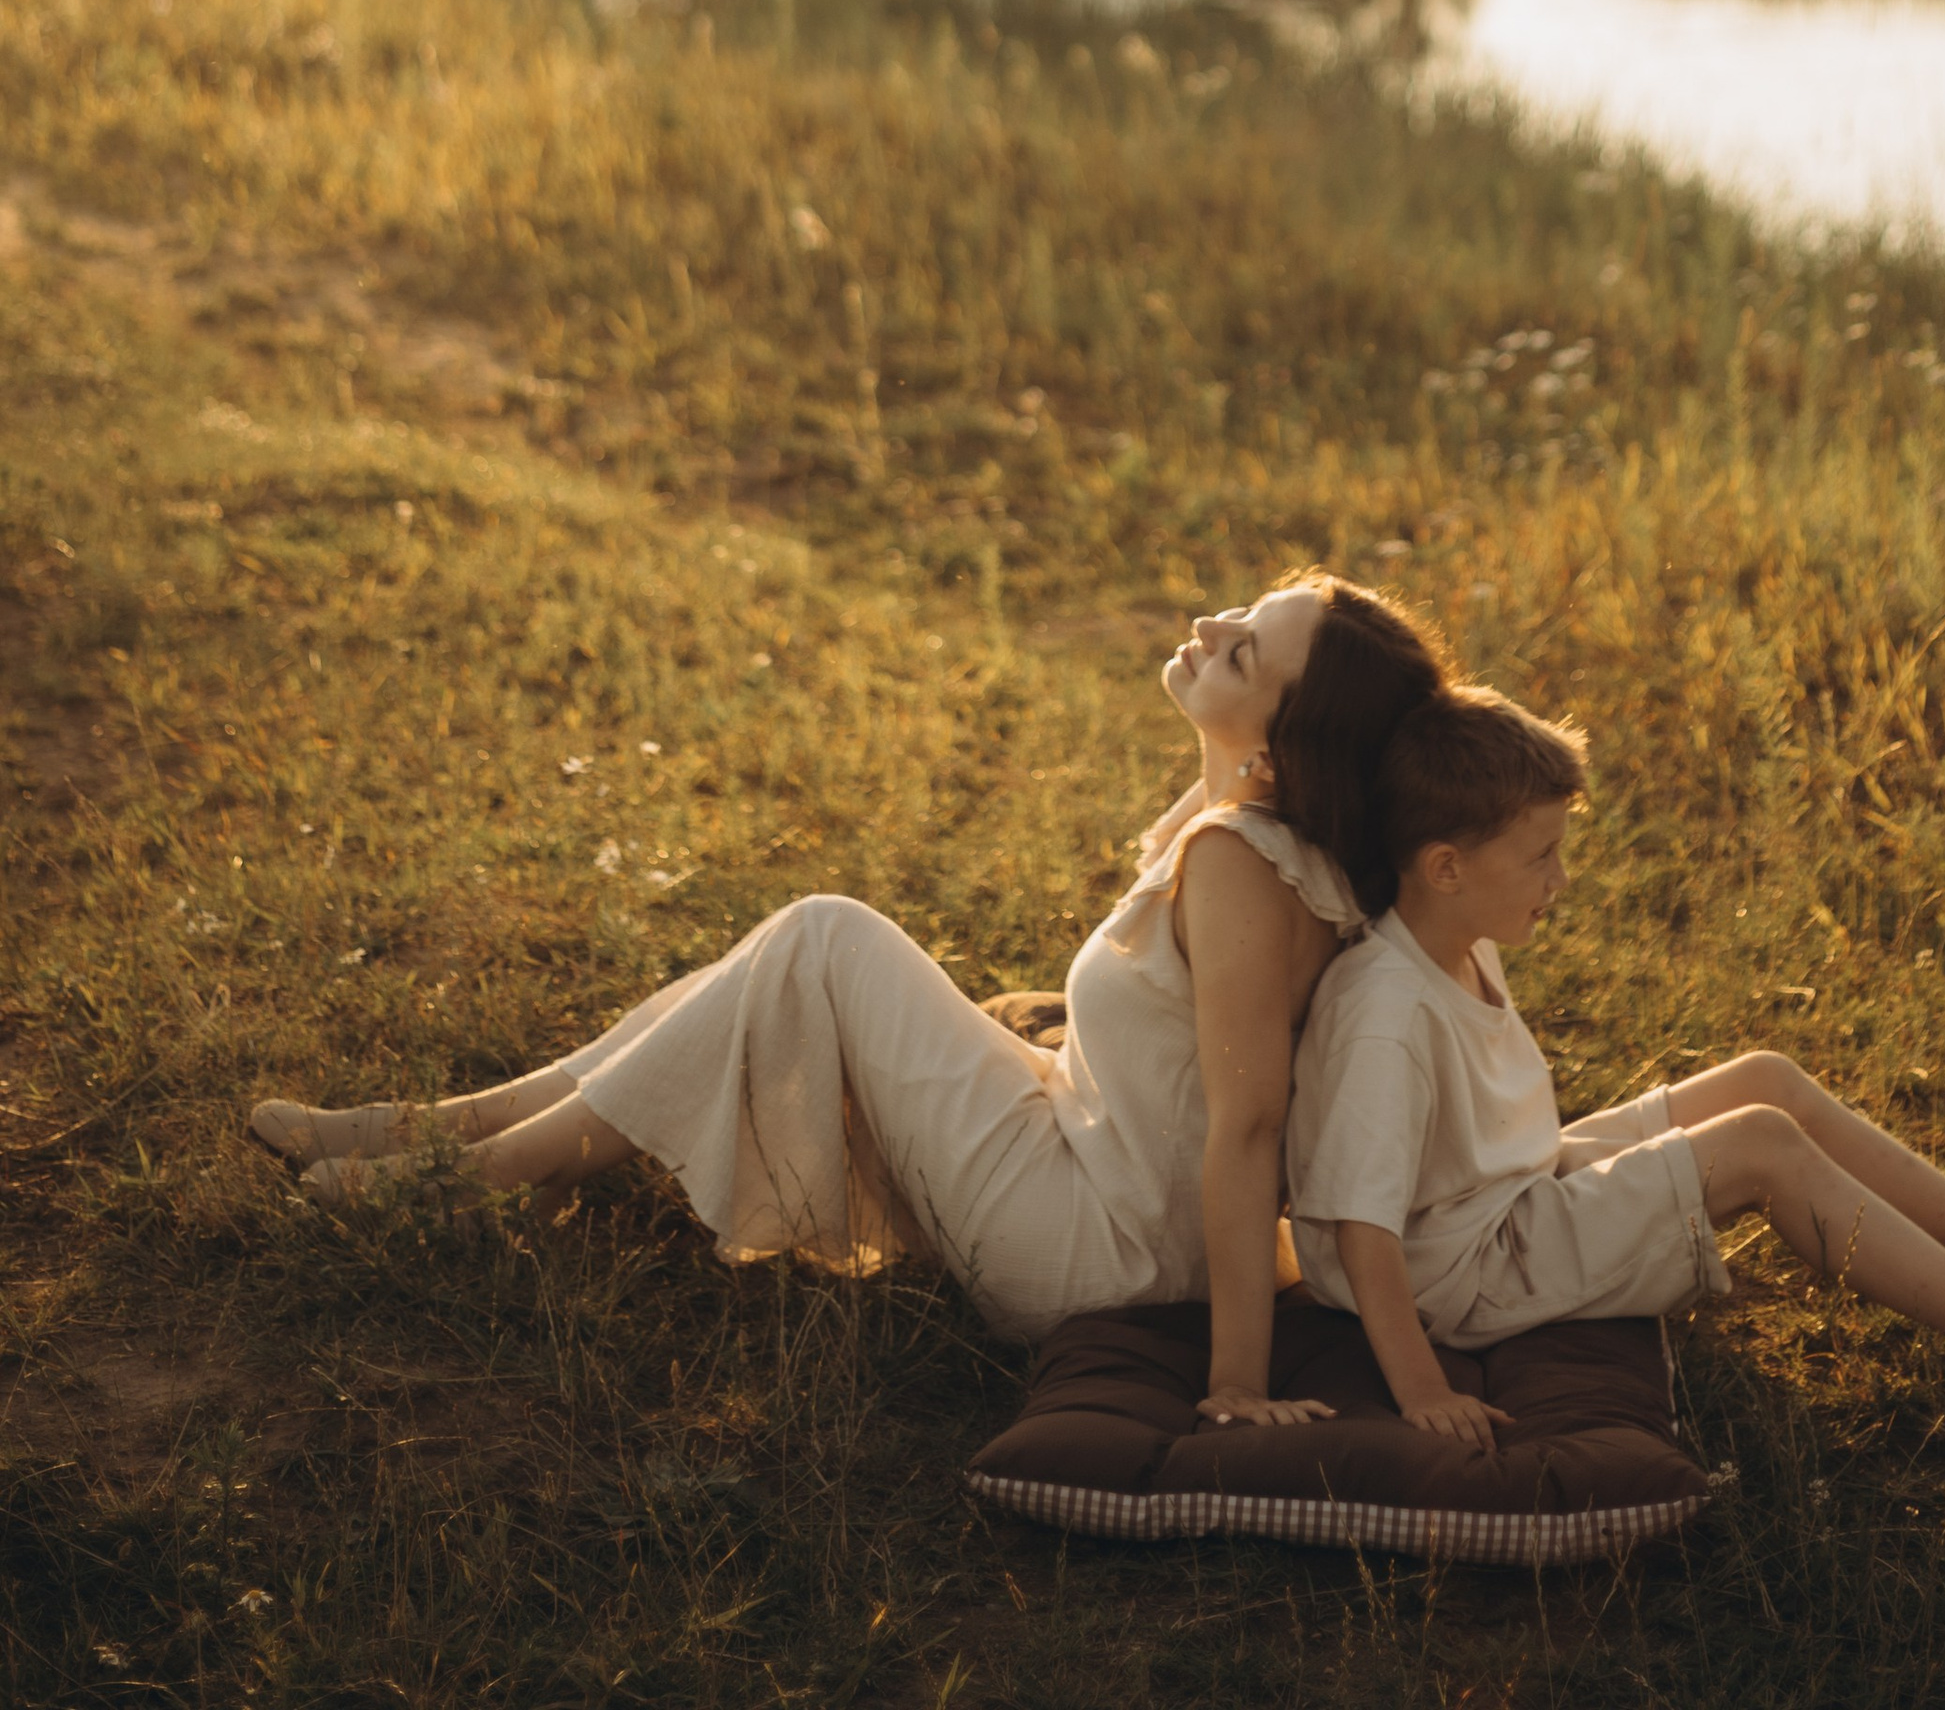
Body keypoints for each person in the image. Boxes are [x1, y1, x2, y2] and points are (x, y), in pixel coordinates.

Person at [252, 573, 1441, 1423]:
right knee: (787, 953)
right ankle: (452, 1129)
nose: (1208, 623)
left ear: (1281, 755)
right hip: (1083, 1153)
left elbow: (1247, 1125)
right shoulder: (1246, 834)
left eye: (1243, 650)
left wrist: (1236, 1377)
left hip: (1097, 1245)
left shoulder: (1244, 868)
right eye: (1243, 611)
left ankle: (471, 1179)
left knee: (826, 938)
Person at [1285, 684, 1945, 1437]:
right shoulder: (1384, 1016)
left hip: (1500, 1192)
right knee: (1759, 1147)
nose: (1561, 879)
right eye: (1540, 857)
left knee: (1763, 1080)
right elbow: (1362, 1228)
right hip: (1465, 1268)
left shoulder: (1452, 935)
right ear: (1445, 865)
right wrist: (1419, 1389)